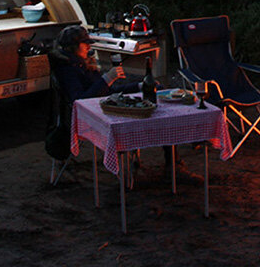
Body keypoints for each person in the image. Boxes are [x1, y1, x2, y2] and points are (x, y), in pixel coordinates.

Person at [46, 24, 202, 184]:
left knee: (158, 99)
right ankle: (174, 163)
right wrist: (107, 78)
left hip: (103, 109)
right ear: (72, 47)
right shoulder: (67, 69)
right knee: (154, 118)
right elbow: (79, 101)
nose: (88, 46)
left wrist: (139, 86)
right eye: (84, 43)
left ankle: (176, 158)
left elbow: (109, 91)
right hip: (88, 119)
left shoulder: (82, 63)